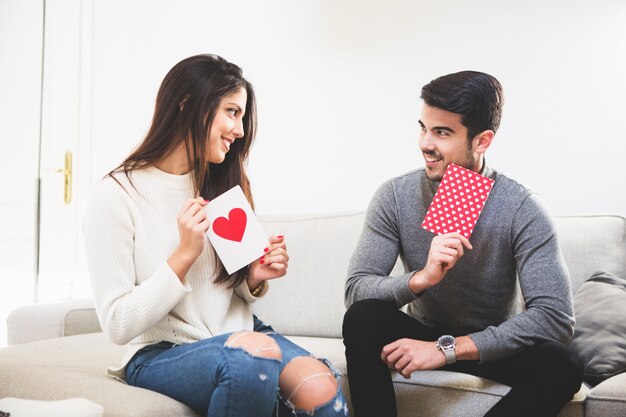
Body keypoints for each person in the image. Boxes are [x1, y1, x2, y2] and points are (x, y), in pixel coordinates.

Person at [84, 54, 348, 417]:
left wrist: (253, 277)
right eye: (231, 112)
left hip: (245, 334)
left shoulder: (221, 184)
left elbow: (225, 292)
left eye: (241, 116)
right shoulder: (116, 195)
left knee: (320, 389)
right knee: (249, 356)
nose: (239, 130)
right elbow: (117, 324)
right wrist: (183, 254)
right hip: (161, 352)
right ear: (188, 104)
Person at [342, 70, 583, 417]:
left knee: (563, 363)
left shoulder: (522, 208)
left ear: (482, 141)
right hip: (419, 331)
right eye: (423, 127)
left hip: (491, 344)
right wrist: (420, 279)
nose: (425, 143)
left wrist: (446, 349)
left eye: (442, 132)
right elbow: (356, 291)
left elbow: (555, 317)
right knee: (363, 317)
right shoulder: (395, 196)